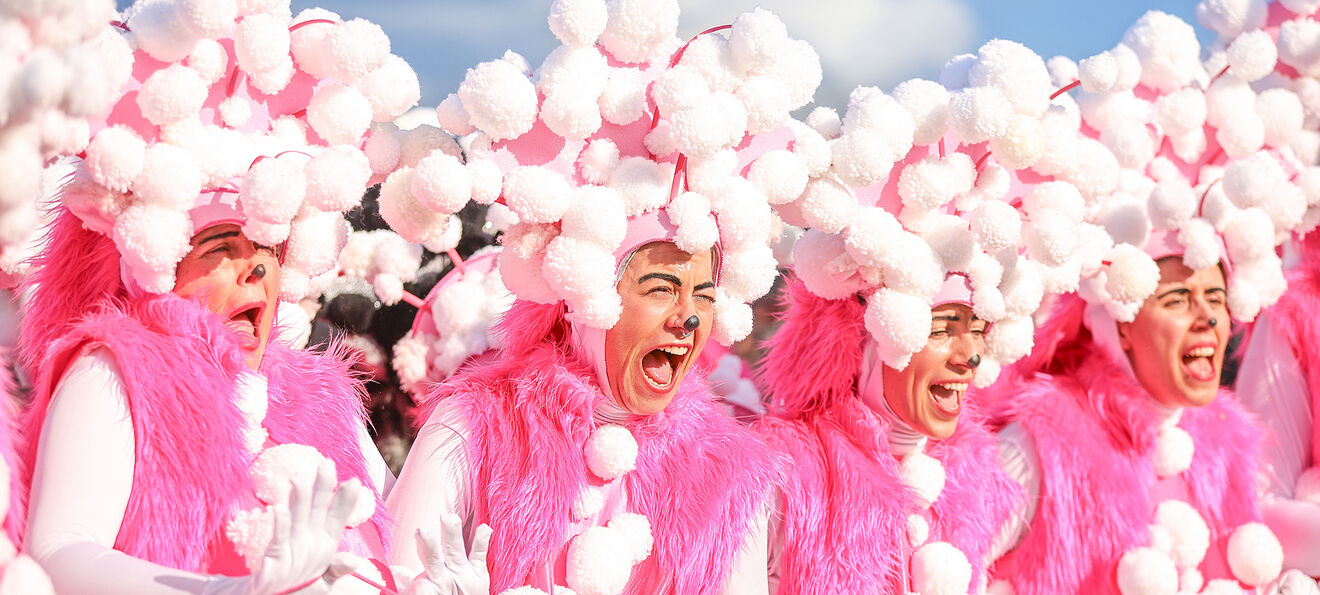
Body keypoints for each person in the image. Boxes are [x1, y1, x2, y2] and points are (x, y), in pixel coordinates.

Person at [384, 3, 824, 592]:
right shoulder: (470, 430)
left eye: (702, 292)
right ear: (585, 294)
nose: (689, 315)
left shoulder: (728, 476)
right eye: (661, 286)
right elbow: (392, 577)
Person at [13, 0, 436, 591]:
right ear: (159, 263)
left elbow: (388, 540)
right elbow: (60, 550)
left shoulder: (324, 402)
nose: (256, 273)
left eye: (271, 256)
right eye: (221, 248)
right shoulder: (116, 372)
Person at [752, 36, 1095, 594]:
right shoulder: (780, 481)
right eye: (941, 328)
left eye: (975, 330)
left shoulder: (984, 488)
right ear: (860, 336)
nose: (968, 357)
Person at [985, 9, 1309, 592]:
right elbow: (947, 563)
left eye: (1215, 295)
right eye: (1179, 298)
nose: (1209, 314)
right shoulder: (1043, 442)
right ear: (1121, 322)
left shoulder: (1230, 448)